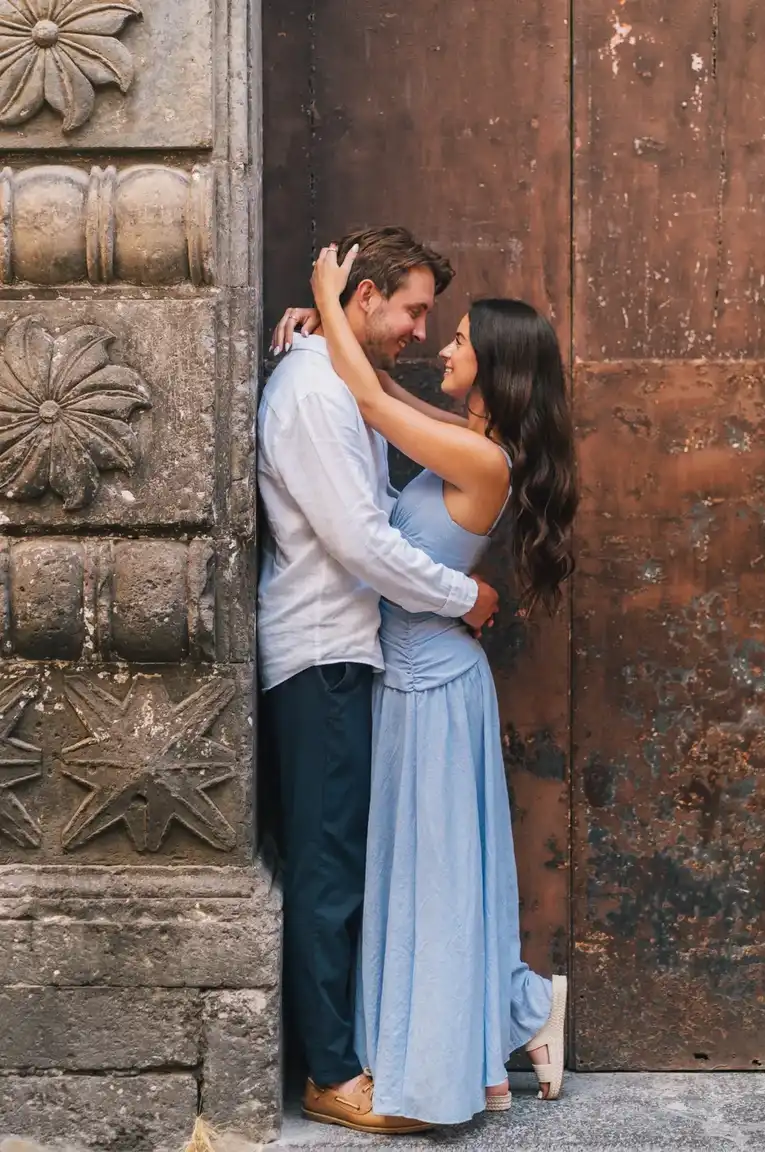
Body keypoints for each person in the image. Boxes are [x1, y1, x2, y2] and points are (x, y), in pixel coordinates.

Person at [277, 240, 579, 1127]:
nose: (438, 348)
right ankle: (513, 1013)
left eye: (457, 342)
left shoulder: (484, 461)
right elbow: (383, 393)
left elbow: (371, 397)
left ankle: (460, 1051)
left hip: (436, 687)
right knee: (420, 876)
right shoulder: (467, 439)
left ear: (494, 368)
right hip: (406, 681)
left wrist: (324, 294)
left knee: (440, 880)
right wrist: (319, 331)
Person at [257, 227, 500, 1134]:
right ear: (364, 299)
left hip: (345, 653)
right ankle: (330, 1074)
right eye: (411, 307)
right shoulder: (317, 393)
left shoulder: (335, 378)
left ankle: (345, 1052)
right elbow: (361, 543)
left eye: (431, 314)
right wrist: (461, 597)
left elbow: (386, 426)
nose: (418, 328)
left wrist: (320, 324)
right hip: (321, 653)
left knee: (336, 861)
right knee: (327, 869)